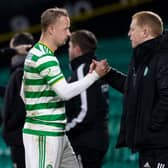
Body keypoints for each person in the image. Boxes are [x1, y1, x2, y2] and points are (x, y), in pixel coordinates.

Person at [20, 7, 109, 168]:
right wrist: (95, 75)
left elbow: (23, 93)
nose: (69, 34)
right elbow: (65, 92)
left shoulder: (35, 53)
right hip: (45, 133)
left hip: (55, 130)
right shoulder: (45, 58)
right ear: (52, 29)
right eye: (66, 28)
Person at [91, 11, 168, 168]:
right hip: (148, 145)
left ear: (145, 32)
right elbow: (133, 89)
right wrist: (107, 73)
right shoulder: (141, 57)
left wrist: (151, 126)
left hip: (162, 146)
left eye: (132, 29)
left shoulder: (163, 56)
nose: (128, 34)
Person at [65, 29, 109, 168]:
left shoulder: (83, 69)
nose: (68, 50)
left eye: (70, 46)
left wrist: (64, 128)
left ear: (77, 49)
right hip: (96, 139)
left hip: (85, 142)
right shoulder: (97, 68)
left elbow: (86, 110)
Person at [1, 32, 34, 168]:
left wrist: (8, 127)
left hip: (23, 139)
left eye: (13, 49)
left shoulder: (21, 72)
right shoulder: (29, 69)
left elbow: (23, 106)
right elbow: (16, 95)